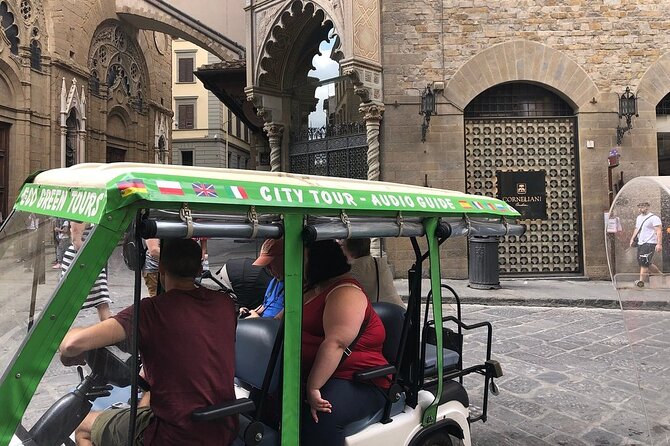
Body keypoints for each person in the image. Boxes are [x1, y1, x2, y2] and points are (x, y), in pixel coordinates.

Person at [59, 238, 238, 446]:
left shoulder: (151, 312)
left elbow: (71, 344)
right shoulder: (225, 304)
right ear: (199, 268)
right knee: (146, 399)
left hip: (176, 436)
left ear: (160, 266)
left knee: (82, 428)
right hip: (223, 426)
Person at [299, 240, 389, 446]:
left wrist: (313, 388)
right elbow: (282, 320)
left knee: (320, 416)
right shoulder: (312, 290)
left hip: (357, 379)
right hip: (319, 373)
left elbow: (336, 343)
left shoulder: (345, 292)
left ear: (317, 262)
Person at [61, 221, 112, 321]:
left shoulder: (85, 209)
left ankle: (110, 332)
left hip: (83, 256)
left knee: (67, 301)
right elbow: (77, 241)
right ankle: (110, 332)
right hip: (85, 256)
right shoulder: (87, 209)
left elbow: (76, 240)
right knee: (101, 301)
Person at [340, 238, 405, 306]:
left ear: (347, 249)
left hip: (378, 313)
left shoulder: (350, 271)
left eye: (342, 245)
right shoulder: (381, 264)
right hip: (398, 309)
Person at [239, 238, 285, 319]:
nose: (268, 269)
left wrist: (257, 319)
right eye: (266, 265)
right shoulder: (274, 282)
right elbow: (265, 305)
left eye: (271, 264)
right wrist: (250, 312)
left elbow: (279, 321)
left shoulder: (294, 287)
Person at [629, 201, 663, 287]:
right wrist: (632, 238)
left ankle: (641, 282)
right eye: (639, 206)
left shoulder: (654, 218)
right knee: (644, 262)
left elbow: (658, 231)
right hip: (641, 243)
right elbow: (637, 228)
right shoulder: (639, 218)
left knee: (644, 262)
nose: (641, 208)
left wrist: (659, 244)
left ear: (648, 207)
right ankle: (661, 275)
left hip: (650, 243)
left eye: (643, 206)